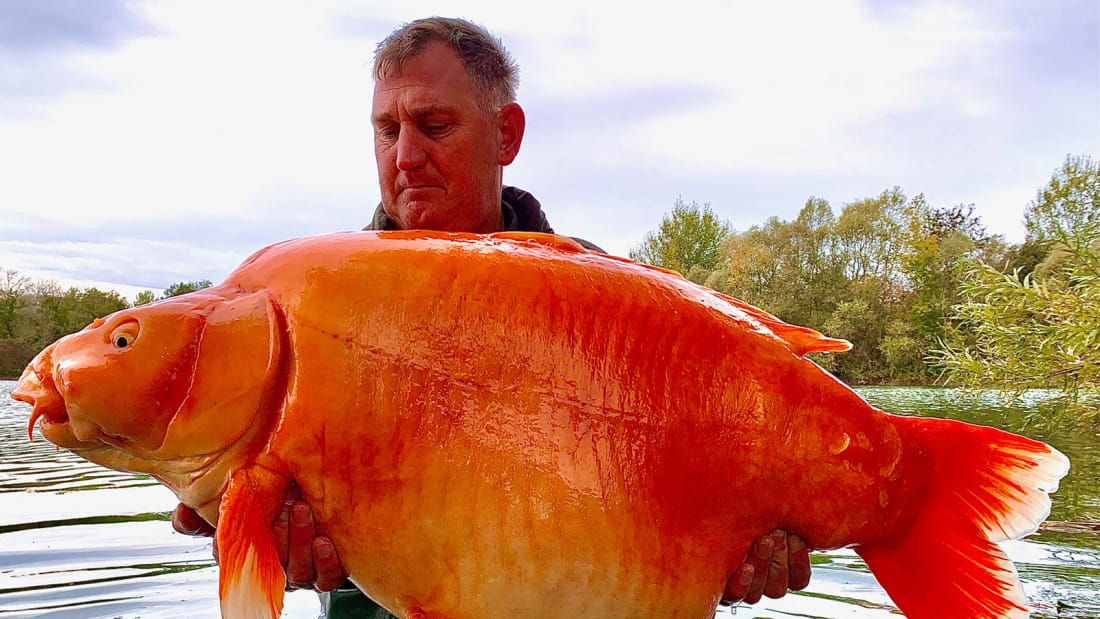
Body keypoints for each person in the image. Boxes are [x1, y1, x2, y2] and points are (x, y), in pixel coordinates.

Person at [172, 17, 813, 617]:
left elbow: (682, 503)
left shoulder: (616, 307)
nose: (406, 156)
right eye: (388, 129)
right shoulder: (304, 307)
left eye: (435, 125)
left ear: (506, 133)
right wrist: (260, 534)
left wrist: (730, 557)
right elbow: (245, 508)